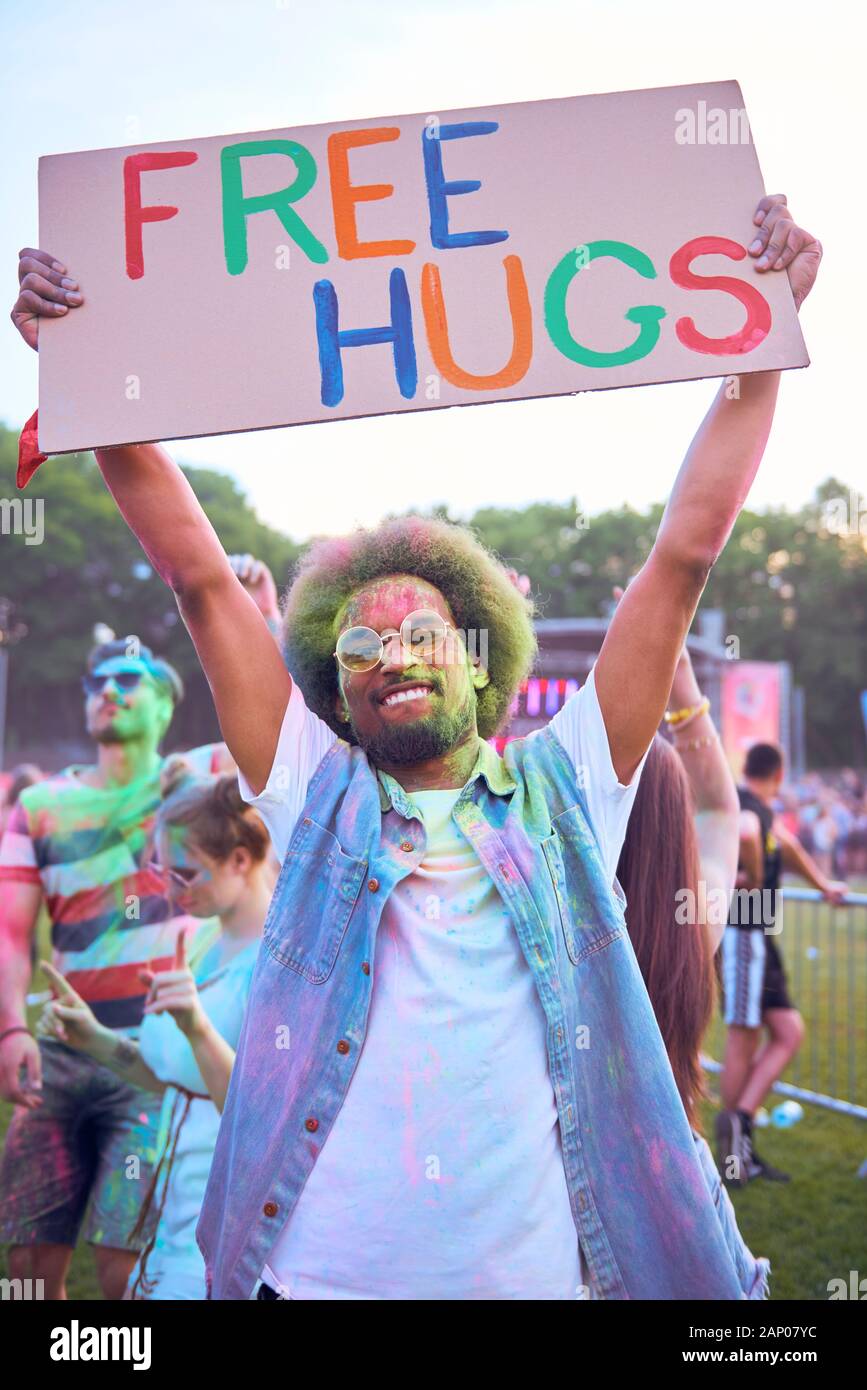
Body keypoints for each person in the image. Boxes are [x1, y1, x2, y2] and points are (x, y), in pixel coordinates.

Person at [12, 192, 823, 1300]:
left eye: (420, 631)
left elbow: (682, 554)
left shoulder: (570, 785)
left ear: (480, 658)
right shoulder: (313, 794)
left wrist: (758, 347)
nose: (390, 651)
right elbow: (200, 578)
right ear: (333, 695)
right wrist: (95, 373)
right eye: (358, 642)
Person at [0, 637, 224, 1299]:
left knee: (128, 1267)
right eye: (97, 681)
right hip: (62, 1049)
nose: (108, 691)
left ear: (165, 704)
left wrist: (264, 617)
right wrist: (11, 1029)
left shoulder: (198, 784)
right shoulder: (39, 807)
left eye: (129, 679)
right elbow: (12, 934)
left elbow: (277, 738)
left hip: (159, 1056)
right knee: (31, 1269)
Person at [34, 762, 272, 1299]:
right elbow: (167, 1075)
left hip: (221, 1226)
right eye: (162, 871)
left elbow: (260, 1114)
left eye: (184, 873)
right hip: (165, 1218)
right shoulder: (205, 939)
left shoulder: (279, 965)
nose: (169, 889)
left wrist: (196, 1027)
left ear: (239, 860)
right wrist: (91, 1036)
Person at [615, 638, 770, 1298]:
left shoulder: (550, 931)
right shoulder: (686, 925)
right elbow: (719, 809)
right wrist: (678, 685)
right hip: (684, 1193)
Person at [716, 741, 848, 1186]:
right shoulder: (748, 806)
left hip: (755, 937)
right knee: (742, 1039)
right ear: (779, 771)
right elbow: (751, 834)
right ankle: (733, 1159)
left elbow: (785, 846)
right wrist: (752, 876)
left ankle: (742, 1129)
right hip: (743, 931)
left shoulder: (758, 807)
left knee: (788, 1031)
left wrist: (823, 884)